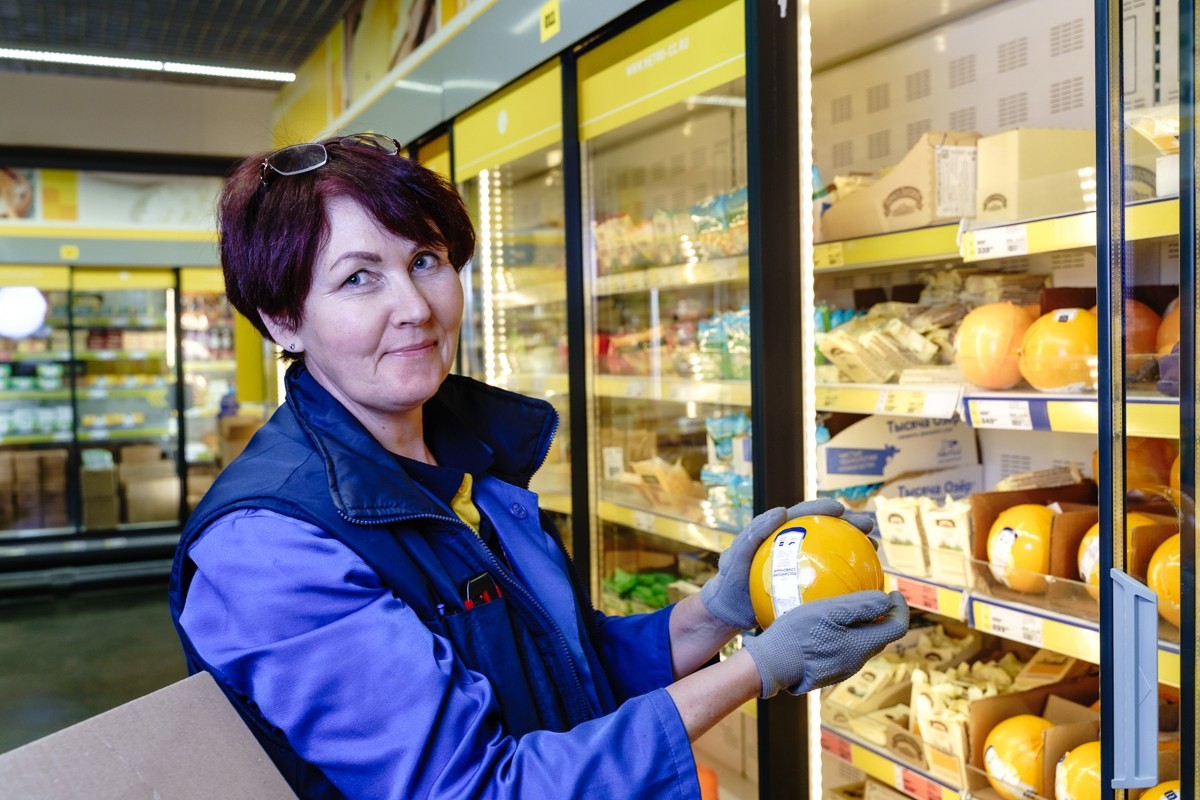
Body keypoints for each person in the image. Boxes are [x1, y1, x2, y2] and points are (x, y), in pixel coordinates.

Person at [168, 132, 910, 800]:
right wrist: (755, 670)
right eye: (359, 278)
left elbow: (561, 672)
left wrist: (715, 615)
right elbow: (476, 789)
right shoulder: (269, 548)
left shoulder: (468, 464)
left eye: (425, 261)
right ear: (283, 318)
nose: (416, 308)